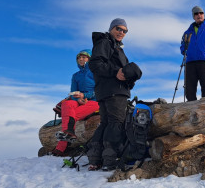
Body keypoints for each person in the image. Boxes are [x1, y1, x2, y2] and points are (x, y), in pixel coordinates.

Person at [87, 18, 142, 171]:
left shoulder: (116, 47)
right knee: (116, 123)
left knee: (106, 123)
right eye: (118, 29)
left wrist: (128, 79)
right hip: (113, 90)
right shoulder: (105, 42)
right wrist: (115, 73)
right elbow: (94, 64)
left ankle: (95, 159)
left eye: (125, 31)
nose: (121, 32)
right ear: (111, 28)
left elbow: (120, 70)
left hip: (109, 90)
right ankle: (109, 160)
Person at [52, 49, 99, 156]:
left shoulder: (96, 73)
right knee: (67, 104)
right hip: (79, 100)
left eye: (84, 57)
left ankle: (61, 146)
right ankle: (70, 132)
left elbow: (99, 90)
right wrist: (77, 99)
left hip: (94, 101)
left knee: (70, 114)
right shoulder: (75, 75)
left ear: (90, 59)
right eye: (79, 57)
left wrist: (85, 96)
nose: (81, 59)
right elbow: (73, 92)